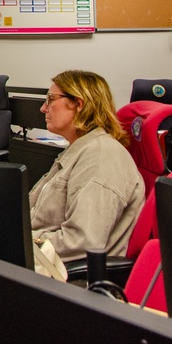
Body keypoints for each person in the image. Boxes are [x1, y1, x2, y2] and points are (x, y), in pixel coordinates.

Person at [29, 70, 145, 262]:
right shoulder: (80, 149)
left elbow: (81, 241)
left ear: (79, 104)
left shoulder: (100, 157)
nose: (43, 108)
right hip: (40, 257)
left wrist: (20, 241)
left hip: (64, 277)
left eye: (50, 99)